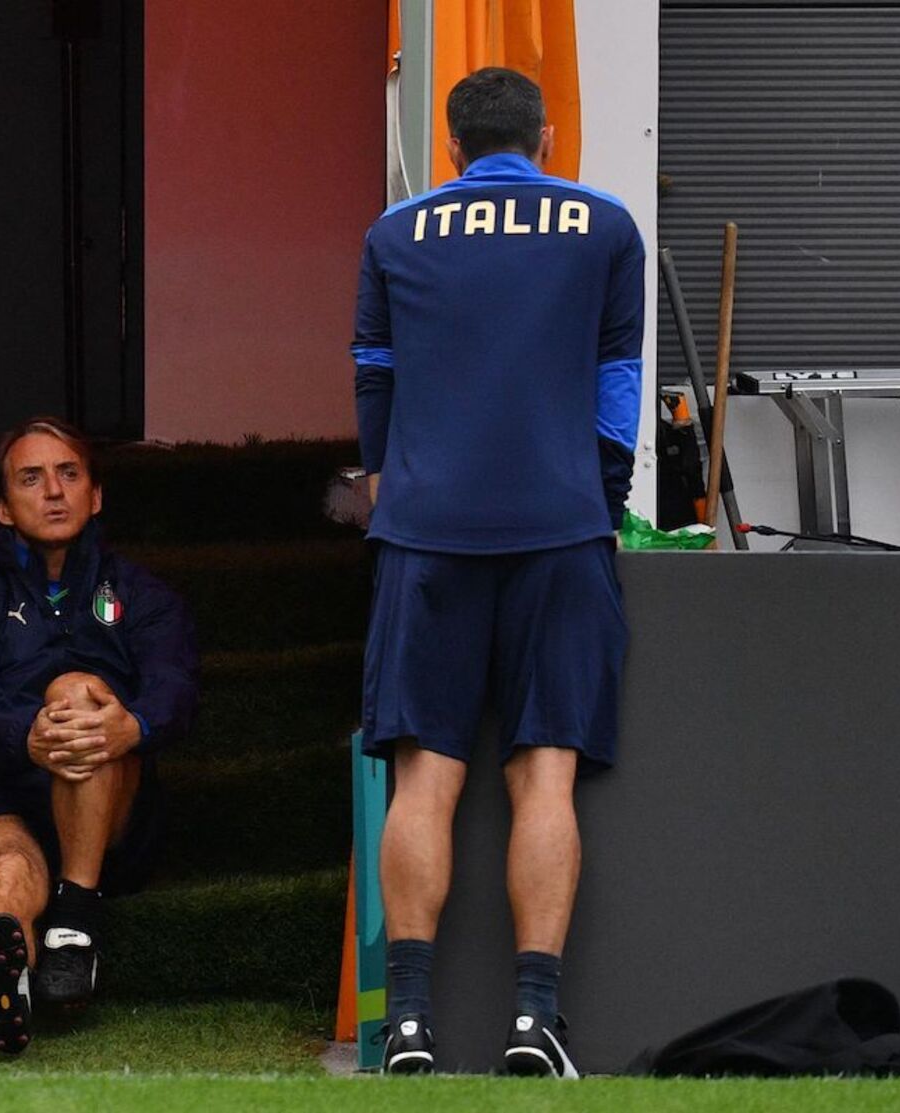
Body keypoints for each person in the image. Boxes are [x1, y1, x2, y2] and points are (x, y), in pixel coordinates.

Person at [350, 67, 644, 1077]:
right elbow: (616, 390)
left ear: (450, 148)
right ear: (547, 137)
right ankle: (532, 1023)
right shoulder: (604, 229)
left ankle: (411, 1029)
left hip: (425, 534)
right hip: (557, 531)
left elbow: (373, 381)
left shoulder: (393, 234)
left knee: (420, 778)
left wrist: (399, 490)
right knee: (544, 774)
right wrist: (595, 510)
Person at [0, 417, 198, 1055]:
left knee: (82, 696)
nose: (53, 491)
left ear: (95, 495)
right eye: (31, 478)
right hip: (2, 792)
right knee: (10, 871)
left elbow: (176, 687)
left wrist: (131, 722)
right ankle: (4, 976)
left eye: (69, 474)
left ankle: (73, 921)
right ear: (2, 507)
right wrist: (29, 737)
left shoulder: (144, 594)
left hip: (112, 806)